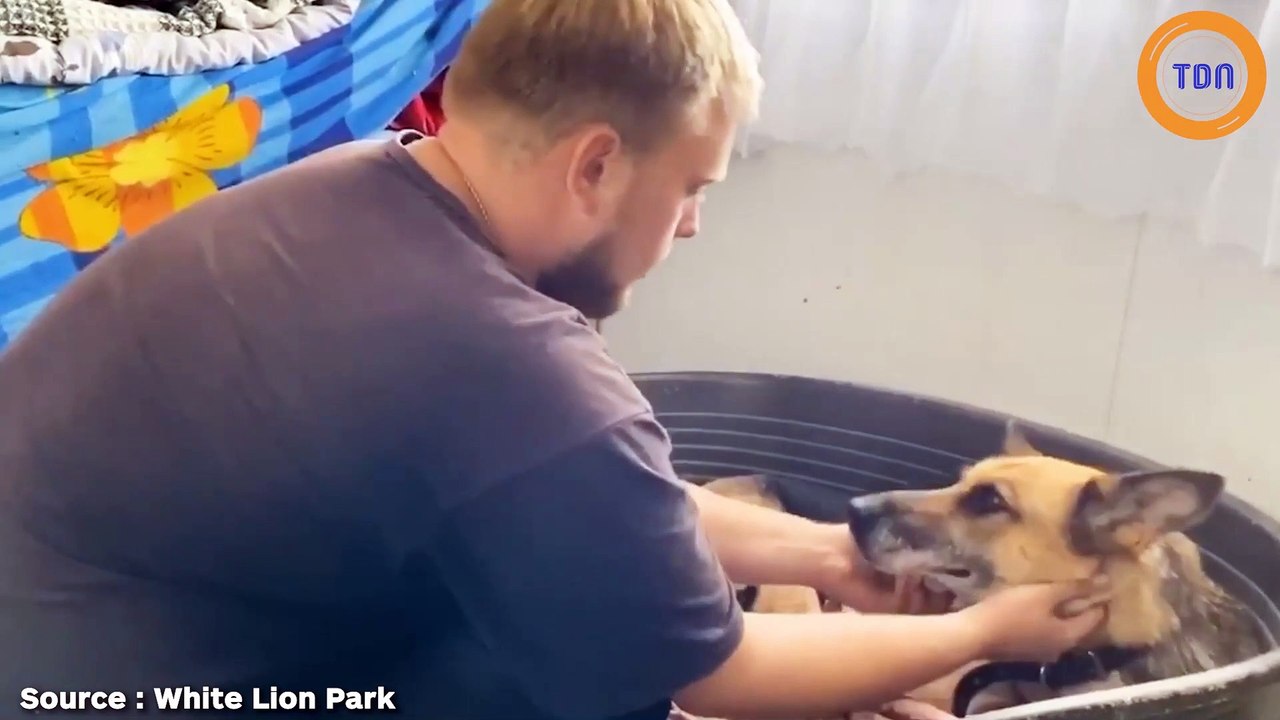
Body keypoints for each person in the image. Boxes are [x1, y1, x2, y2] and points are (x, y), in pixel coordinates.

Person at [0, 0, 1110, 718]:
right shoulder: (508, 362)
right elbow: (718, 673)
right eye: (693, 188)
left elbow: (582, 502)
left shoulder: (345, 190)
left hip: (56, 638)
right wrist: (983, 630)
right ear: (594, 165)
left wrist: (824, 554)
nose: (690, 229)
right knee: (603, 693)